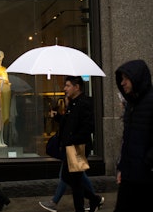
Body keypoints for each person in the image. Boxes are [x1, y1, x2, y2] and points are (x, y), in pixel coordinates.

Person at [52, 76, 104, 212]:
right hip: (71, 147)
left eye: (68, 86)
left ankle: (90, 202)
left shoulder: (84, 103)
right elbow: (69, 123)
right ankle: (94, 199)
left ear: (77, 87)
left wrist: (72, 140)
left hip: (78, 147)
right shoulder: (73, 103)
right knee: (71, 180)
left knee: (73, 181)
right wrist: (58, 117)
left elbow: (88, 127)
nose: (65, 89)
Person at [113, 59, 153, 212]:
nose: (122, 83)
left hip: (146, 176)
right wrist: (121, 168)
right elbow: (126, 140)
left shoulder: (150, 101)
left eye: (126, 78)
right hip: (129, 175)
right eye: (121, 79)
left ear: (137, 78)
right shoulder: (131, 104)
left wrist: (147, 162)